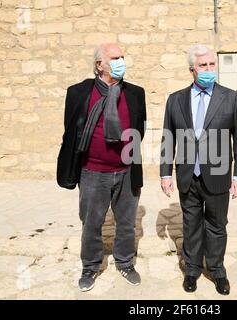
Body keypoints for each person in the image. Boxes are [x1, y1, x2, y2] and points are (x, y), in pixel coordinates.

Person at [160, 44, 237, 295]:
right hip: (188, 174)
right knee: (191, 224)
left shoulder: (230, 98)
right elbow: (169, 138)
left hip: (219, 174)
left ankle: (217, 270)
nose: (209, 69)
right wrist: (166, 173)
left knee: (217, 224)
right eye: (203, 66)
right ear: (192, 70)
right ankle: (192, 270)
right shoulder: (175, 100)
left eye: (212, 64)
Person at [58, 43, 146, 292]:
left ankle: (125, 262)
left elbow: (140, 128)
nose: (121, 62)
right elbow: (72, 132)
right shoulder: (78, 93)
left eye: (122, 57)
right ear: (100, 64)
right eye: (115, 58)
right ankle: (91, 265)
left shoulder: (136, 93)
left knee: (127, 222)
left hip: (127, 170)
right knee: (92, 222)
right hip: (93, 172)